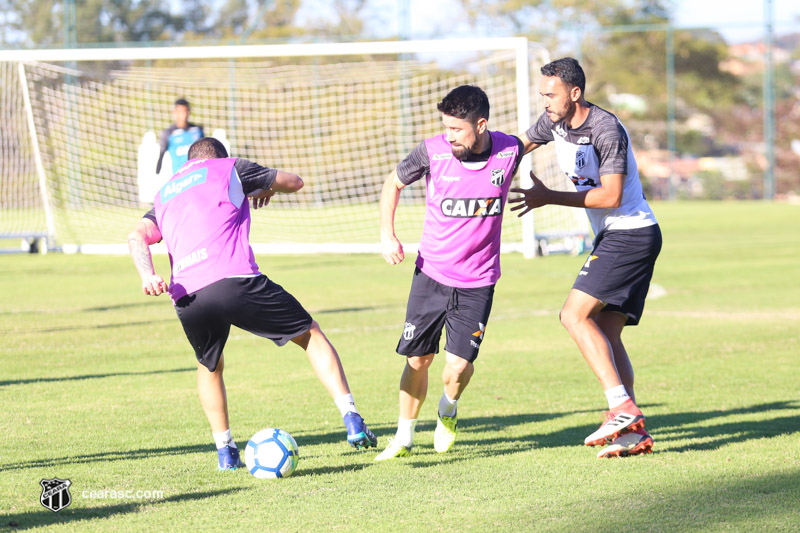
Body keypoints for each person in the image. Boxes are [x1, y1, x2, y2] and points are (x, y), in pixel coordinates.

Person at [128, 137, 377, 470]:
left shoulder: (165, 193)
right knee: (309, 335)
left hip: (188, 295)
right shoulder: (230, 168)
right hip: (234, 281)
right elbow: (294, 182)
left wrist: (147, 275)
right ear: (220, 157)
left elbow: (136, 236)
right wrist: (265, 186)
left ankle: (225, 452)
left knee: (209, 366)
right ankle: (352, 419)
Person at [510, 57, 661, 458]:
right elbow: (520, 145)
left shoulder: (606, 128)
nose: (544, 101)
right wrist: (486, 168)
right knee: (608, 335)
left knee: (573, 316)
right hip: (620, 235)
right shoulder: (555, 120)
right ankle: (634, 433)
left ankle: (621, 407)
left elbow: (611, 196)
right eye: (541, 94)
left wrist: (549, 197)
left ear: (575, 93)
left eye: (550, 94)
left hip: (630, 234)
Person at [376, 85, 524, 461]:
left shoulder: (509, 151)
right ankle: (404, 437)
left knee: (457, 368)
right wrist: (387, 234)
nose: (449, 135)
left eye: (457, 129)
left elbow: (539, 132)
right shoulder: (432, 151)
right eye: (445, 127)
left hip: (479, 282)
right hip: (431, 274)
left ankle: (448, 409)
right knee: (417, 361)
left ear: (481, 124)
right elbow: (392, 183)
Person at [155, 98, 204, 175]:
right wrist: (157, 173)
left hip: (197, 173)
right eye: (181, 111)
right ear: (175, 112)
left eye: (186, 111)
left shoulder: (197, 130)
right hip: (180, 177)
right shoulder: (168, 133)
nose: (184, 115)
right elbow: (161, 155)